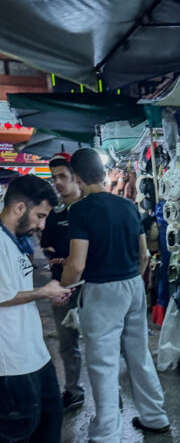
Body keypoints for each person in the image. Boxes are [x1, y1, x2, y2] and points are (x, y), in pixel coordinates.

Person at [61, 148, 170, 443]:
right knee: (139, 354)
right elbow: (144, 255)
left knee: (103, 363)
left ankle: (107, 438)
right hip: (133, 284)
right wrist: (132, 281)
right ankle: (155, 416)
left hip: (101, 290)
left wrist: (63, 286)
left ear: (77, 177)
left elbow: (77, 264)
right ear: (102, 173)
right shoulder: (128, 206)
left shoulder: (80, 211)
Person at [0, 175, 84, 443]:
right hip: (10, 353)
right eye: (39, 215)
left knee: (50, 409)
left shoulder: (13, 240)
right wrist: (43, 291)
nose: (41, 225)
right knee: (18, 424)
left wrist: (47, 292)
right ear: (19, 207)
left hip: (32, 346)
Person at [41, 152, 85, 411]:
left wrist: (74, 258)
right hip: (61, 286)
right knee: (67, 343)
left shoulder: (89, 208)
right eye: (54, 177)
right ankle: (73, 390)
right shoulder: (54, 214)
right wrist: (53, 258)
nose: (57, 182)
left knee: (101, 344)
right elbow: (46, 246)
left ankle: (112, 395)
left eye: (62, 176)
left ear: (74, 177)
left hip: (90, 285)